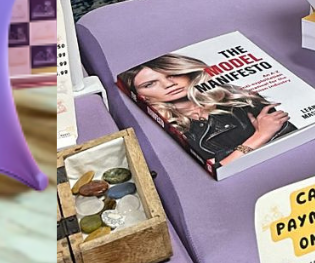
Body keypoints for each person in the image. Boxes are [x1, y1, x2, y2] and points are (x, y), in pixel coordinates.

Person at [120, 52, 292, 173]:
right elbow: (220, 169)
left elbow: (288, 134)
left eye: (173, 75)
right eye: (150, 84)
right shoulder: (169, 126)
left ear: (188, 73)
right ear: (141, 95)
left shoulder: (239, 99)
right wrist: (260, 135)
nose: (168, 85)